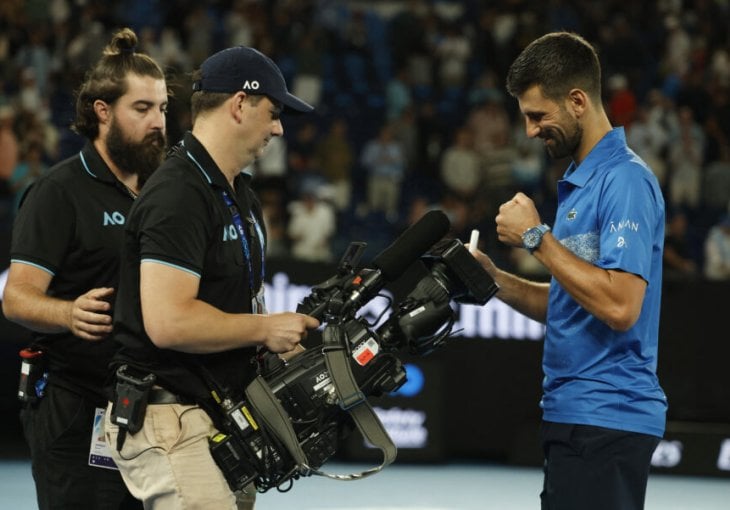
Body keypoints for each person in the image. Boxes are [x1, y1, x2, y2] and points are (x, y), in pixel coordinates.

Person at [103, 46, 320, 509]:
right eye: (274, 111)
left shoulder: (238, 192)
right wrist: (266, 328)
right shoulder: (179, 192)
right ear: (240, 104)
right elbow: (169, 323)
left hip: (217, 415)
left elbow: (236, 303)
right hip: (168, 418)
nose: (279, 128)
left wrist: (271, 340)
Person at [469, 32, 666, 510]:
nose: (532, 131)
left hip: (607, 417)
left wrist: (537, 239)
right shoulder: (583, 182)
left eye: (538, 116)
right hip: (578, 416)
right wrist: (490, 278)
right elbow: (569, 304)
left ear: (577, 101)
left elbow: (620, 306)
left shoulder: (625, 181)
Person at [2, 28, 168, 510]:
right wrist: (68, 313)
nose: (157, 121)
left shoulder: (165, 189)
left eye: (162, 108)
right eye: (142, 109)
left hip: (153, 412)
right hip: (75, 411)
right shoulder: (59, 192)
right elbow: (16, 297)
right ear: (102, 111)